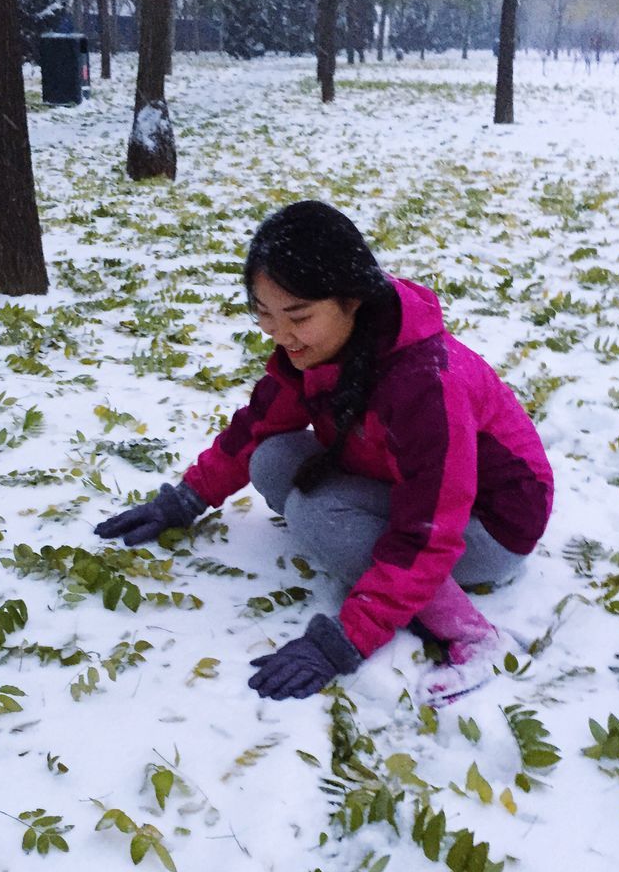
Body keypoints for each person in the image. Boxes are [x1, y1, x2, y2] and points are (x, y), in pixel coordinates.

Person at [95, 200, 554, 703]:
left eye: (298, 315)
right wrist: (183, 500)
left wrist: (344, 641)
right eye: (264, 314)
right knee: (269, 457)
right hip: (402, 479)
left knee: (317, 515)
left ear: (352, 299)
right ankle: (380, 564)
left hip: (491, 524)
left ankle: (465, 630)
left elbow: (431, 528)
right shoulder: (316, 347)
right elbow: (257, 425)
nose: (279, 333)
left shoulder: (426, 383)